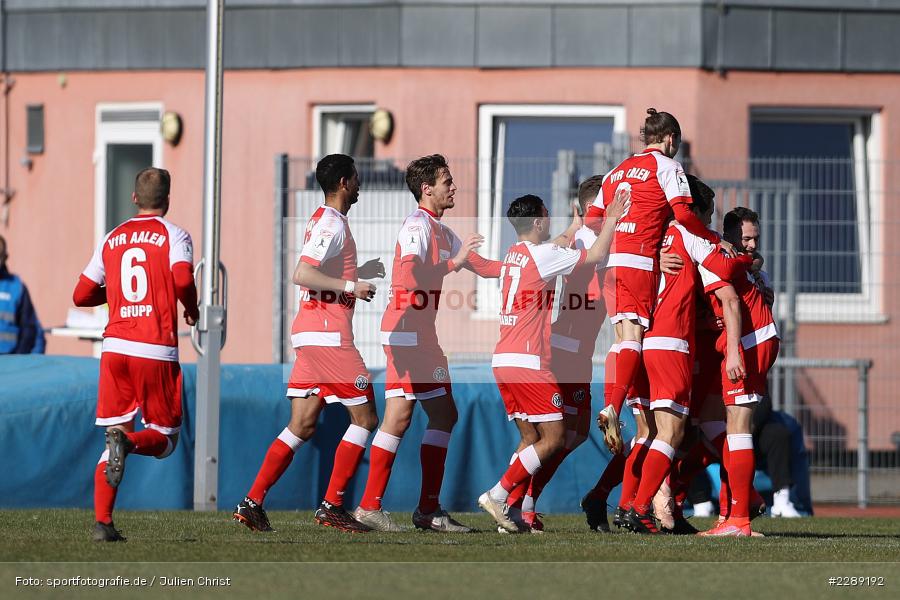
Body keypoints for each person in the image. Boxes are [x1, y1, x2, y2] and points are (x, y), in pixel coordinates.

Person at [233, 154, 383, 534]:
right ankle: (333, 505)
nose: (361, 184)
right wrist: (352, 286)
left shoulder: (325, 220)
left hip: (310, 335)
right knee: (366, 419)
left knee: (301, 425)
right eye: (358, 178)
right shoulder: (331, 223)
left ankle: (252, 502)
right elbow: (303, 272)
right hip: (328, 337)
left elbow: (321, 271)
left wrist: (359, 273)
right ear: (346, 182)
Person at [354, 154, 499, 532]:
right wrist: (454, 264)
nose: (454, 186)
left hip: (416, 335)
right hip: (407, 334)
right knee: (431, 415)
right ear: (427, 188)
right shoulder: (417, 226)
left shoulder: (440, 230)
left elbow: (482, 267)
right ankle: (414, 510)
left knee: (423, 416)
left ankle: (402, 508)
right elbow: (410, 276)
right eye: (447, 180)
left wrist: (528, 262)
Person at [477, 190, 626, 533]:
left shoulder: (516, 253)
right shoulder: (547, 254)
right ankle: (503, 496)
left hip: (505, 357)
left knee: (534, 437)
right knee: (558, 436)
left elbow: (553, 248)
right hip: (533, 359)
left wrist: (573, 229)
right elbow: (598, 252)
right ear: (540, 221)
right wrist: (614, 218)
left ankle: (514, 509)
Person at [592, 109, 733, 456]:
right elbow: (684, 214)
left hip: (612, 262)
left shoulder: (615, 171)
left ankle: (613, 403)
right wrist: (714, 240)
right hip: (640, 261)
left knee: (622, 336)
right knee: (635, 338)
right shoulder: (668, 168)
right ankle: (613, 404)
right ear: (671, 138)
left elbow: (593, 219)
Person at [72, 167, 199, 542]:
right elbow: (181, 279)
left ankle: (103, 523)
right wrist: (189, 308)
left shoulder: (112, 238)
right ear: (168, 200)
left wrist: (115, 296)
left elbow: (80, 295)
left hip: (114, 348)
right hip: (153, 348)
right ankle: (127, 445)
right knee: (164, 439)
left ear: (134, 199)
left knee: (115, 429)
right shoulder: (174, 234)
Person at [622, 175, 752, 534]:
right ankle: (641, 506)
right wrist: (741, 257)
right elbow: (725, 276)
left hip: (642, 340)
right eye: (706, 216)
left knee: (657, 432)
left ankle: (649, 507)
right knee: (673, 432)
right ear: (693, 211)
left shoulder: (648, 238)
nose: (707, 224)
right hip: (673, 343)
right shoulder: (689, 234)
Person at [696, 206, 780, 537]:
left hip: (749, 342)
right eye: (745, 238)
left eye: (754, 239)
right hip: (756, 339)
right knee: (724, 425)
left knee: (739, 428)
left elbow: (731, 303)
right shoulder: (731, 257)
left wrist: (733, 350)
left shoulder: (715, 258)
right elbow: (748, 265)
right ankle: (732, 514)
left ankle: (739, 520)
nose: (751, 245)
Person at [0, 235, 46, 354]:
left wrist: (18, 360)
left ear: (5, 257)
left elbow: (29, 329)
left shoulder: (17, 287)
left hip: (10, 361)